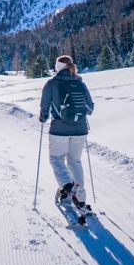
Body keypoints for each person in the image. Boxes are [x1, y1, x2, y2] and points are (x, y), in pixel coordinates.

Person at [39, 55, 95, 209]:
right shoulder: (79, 82)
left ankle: (67, 185)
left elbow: (44, 108)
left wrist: (43, 117)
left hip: (59, 129)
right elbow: (90, 108)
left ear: (57, 67)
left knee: (56, 159)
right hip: (81, 129)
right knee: (74, 161)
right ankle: (80, 198)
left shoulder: (51, 84)